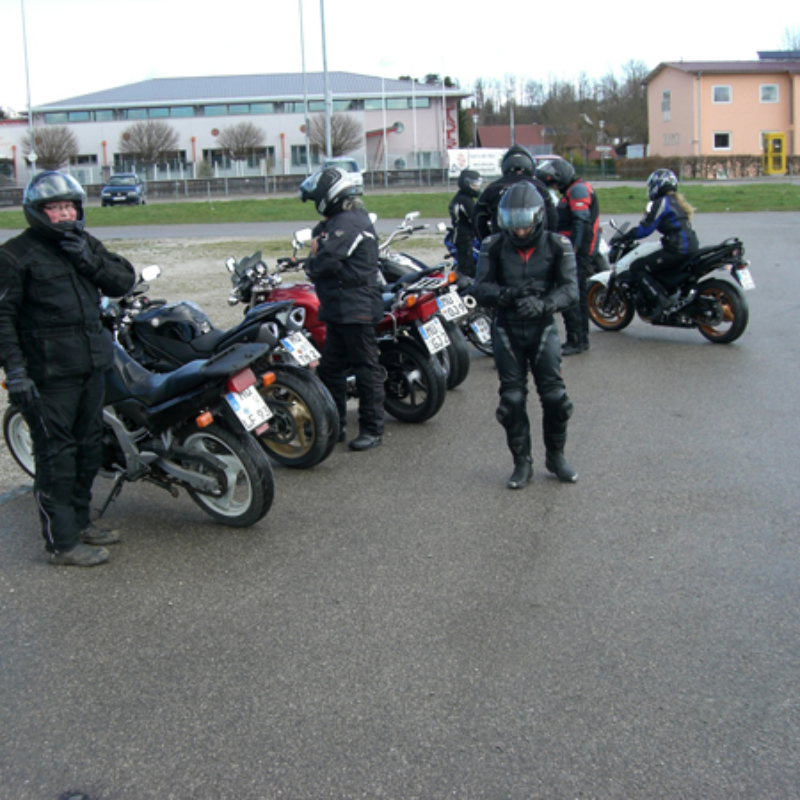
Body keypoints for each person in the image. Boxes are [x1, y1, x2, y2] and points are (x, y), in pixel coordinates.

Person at [0, 171, 136, 567]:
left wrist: (88, 259)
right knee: (56, 457)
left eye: (69, 207)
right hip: (46, 375)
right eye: (55, 208)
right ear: (38, 212)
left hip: (91, 365)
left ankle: (81, 522)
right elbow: (2, 318)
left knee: (90, 450)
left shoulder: (83, 244)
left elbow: (122, 280)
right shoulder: (14, 255)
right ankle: (61, 543)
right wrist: (16, 371)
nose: (63, 214)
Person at [472, 181, 579, 490]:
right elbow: (480, 288)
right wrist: (509, 294)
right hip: (507, 327)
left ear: (538, 218)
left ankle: (556, 457)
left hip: (542, 327)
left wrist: (546, 304)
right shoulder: (493, 245)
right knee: (512, 400)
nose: (519, 231)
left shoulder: (558, 244)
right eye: (512, 223)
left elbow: (571, 289)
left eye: (524, 223)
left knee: (557, 400)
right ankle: (522, 463)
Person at [299, 167, 385, 452]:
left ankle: (373, 429)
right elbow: (322, 241)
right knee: (331, 368)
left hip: (355, 306)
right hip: (340, 307)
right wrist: (318, 246)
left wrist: (310, 261)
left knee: (365, 367)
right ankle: (334, 425)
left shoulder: (348, 222)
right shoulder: (343, 220)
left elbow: (327, 261)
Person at [536, 159, 599, 356]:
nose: (554, 187)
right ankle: (580, 338)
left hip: (577, 254)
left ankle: (576, 340)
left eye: (554, 183)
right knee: (576, 293)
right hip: (577, 252)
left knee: (571, 295)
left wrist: (573, 250)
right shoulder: (575, 189)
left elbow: (581, 222)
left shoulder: (578, 190)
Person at [622, 168, 699, 320]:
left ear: (657, 185)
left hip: (676, 249)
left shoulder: (660, 203)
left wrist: (625, 236)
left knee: (637, 266)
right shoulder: (678, 201)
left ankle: (662, 302)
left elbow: (645, 229)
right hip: (692, 246)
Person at [473, 144, 557, 242]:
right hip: (534, 244)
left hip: (503, 244)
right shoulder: (539, 186)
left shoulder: (493, 188)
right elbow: (552, 217)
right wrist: (546, 242)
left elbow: (478, 219)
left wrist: (488, 241)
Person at [448, 169, 482, 279]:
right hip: (464, 239)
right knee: (467, 269)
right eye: (474, 185)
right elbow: (475, 219)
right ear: (466, 184)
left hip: (465, 237)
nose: (477, 188)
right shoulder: (465, 200)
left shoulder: (462, 198)